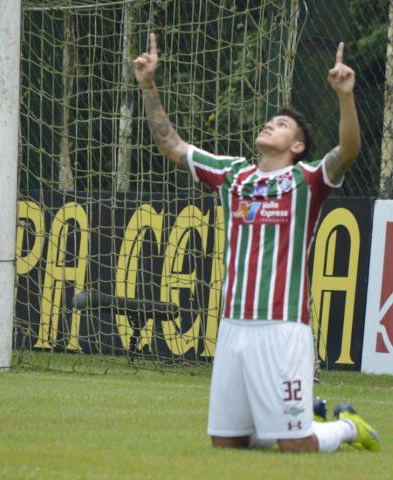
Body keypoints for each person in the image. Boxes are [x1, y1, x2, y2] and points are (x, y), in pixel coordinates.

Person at [134, 32, 379, 454]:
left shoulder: (308, 181)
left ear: (297, 146)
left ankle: (345, 427)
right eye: (270, 120)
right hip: (232, 326)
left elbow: (349, 149)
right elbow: (170, 144)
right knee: (227, 443)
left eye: (281, 125)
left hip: (282, 326)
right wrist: (148, 86)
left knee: (297, 447)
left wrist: (344, 96)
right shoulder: (233, 175)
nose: (270, 124)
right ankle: (298, 415)